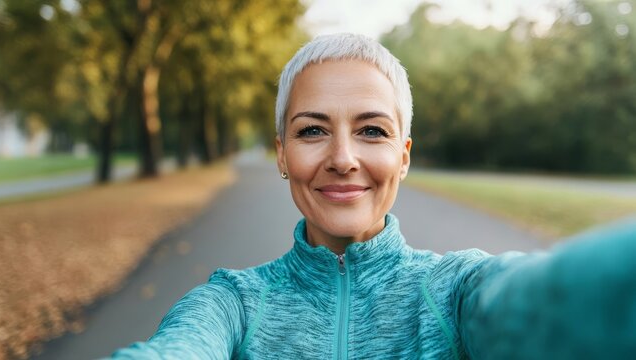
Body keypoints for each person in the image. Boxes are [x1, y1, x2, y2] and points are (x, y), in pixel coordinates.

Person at [108, 33, 636, 359]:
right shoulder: (234, 304)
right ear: (282, 154)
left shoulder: (455, 290)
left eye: (372, 131)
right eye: (313, 131)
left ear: (403, 156)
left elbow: (554, 302)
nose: (342, 157)